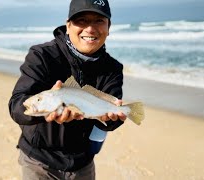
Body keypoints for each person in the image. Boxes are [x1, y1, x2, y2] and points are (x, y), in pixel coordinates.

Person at [8, 0, 127, 179]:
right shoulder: (42, 55)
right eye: (82, 20)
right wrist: (41, 110)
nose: (90, 29)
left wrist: (113, 118)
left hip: (82, 163)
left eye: (99, 21)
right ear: (68, 25)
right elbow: (17, 106)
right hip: (38, 161)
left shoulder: (112, 68)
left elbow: (110, 117)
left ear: (108, 27)